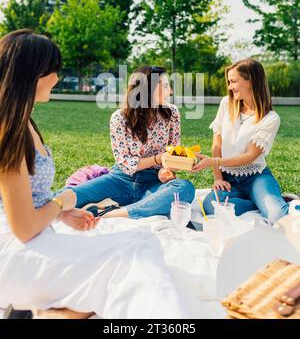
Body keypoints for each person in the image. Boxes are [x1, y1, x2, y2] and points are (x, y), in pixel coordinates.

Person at [0, 30, 190, 319]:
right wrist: (62, 203)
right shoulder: (11, 130)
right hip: (18, 249)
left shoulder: (24, 121)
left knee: (144, 242)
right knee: (135, 257)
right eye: (54, 70)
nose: (57, 78)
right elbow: (24, 227)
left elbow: (28, 196)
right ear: (34, 74)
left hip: (35, 234)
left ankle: (44, 312)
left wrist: (61, 213)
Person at [71, 65, 195, 219]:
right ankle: (146, 206)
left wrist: (167, 169)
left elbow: (172, 152)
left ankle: (115, 213)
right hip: (120, 179)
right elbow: (124, 163)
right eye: (164, 86)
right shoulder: (120, 118)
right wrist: (157, 159)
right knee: (69, 196)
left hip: (153, 182)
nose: (170, 91)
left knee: (184, 188)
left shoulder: (172, 113)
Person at [192, 58, 289, 223]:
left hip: (256, 177)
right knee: (211, 204)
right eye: (229, 82)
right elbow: (217, 143)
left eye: (233, 81)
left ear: (250, 81)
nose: (229, 87)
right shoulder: (226, 104)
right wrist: (218, 178)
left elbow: (250, 156)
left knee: (277, 216)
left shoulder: (271, 118)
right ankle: (256, 203)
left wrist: (213, 161)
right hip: (228, 178)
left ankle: (270, 200)